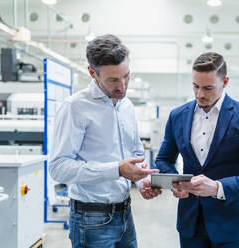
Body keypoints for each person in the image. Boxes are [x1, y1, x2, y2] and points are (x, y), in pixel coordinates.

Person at [49, 34, 161, 248]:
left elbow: (135, 152)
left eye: (126, 76)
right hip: (91, 219)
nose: (122, 86)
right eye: (113, 80)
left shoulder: (125, 105)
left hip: (125, 213)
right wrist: (117, 170)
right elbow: (58, 168)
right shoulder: (75, 108)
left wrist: (142, 181)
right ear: (92, 73)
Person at [155, 52, 239, 248]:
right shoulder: (177, 116)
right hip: (190, 223)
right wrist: (175, 182)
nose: (200, 94)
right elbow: (164, 159)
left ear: (224, 82)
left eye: (208, 88)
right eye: (195, 86)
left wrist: (218, 188)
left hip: (231, 224)